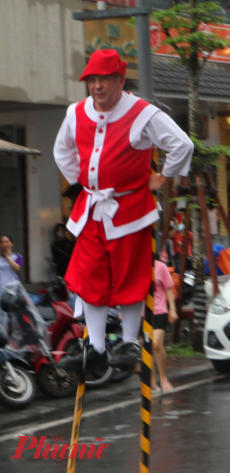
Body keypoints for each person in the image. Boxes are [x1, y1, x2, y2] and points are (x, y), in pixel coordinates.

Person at [53, 49, 193, 375]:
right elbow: (62, 150)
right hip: (91, 208)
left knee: (130, 275)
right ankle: (97, 348)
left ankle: (129, 342)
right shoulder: (76, 113)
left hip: (131, 206)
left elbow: (182, 144)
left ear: (119, 79)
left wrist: (163, 177)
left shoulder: (143, 113)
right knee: (91, 276)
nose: (97, 87)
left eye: (103, 79)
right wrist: (82, 180)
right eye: (91, 80)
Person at [151, 258, 179, 394]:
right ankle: (151, 381)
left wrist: (172, 309)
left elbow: (169, 288)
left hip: (159, 310)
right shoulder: (136, 266)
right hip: (141, 312)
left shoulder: (160, 267)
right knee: (145, 346)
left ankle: (163, 378)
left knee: (156, 344)